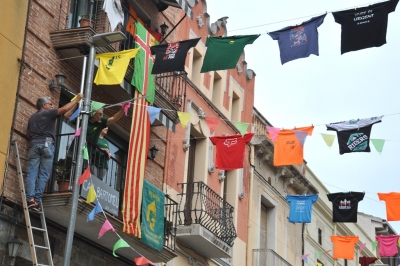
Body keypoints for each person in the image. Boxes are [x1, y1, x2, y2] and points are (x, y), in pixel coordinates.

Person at [26, 94, 84, 211]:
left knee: (32, 173)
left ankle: (30, 199)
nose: (52, 106)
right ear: (44, 105)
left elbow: (28, 135)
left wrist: (75, 104)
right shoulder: (48, 113)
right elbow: (65, 109)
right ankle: (37, 201)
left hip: (34, 145)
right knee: (43, 174)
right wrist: (77, 98)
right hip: (47, 145)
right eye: (50, 104)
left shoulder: (32, 117)